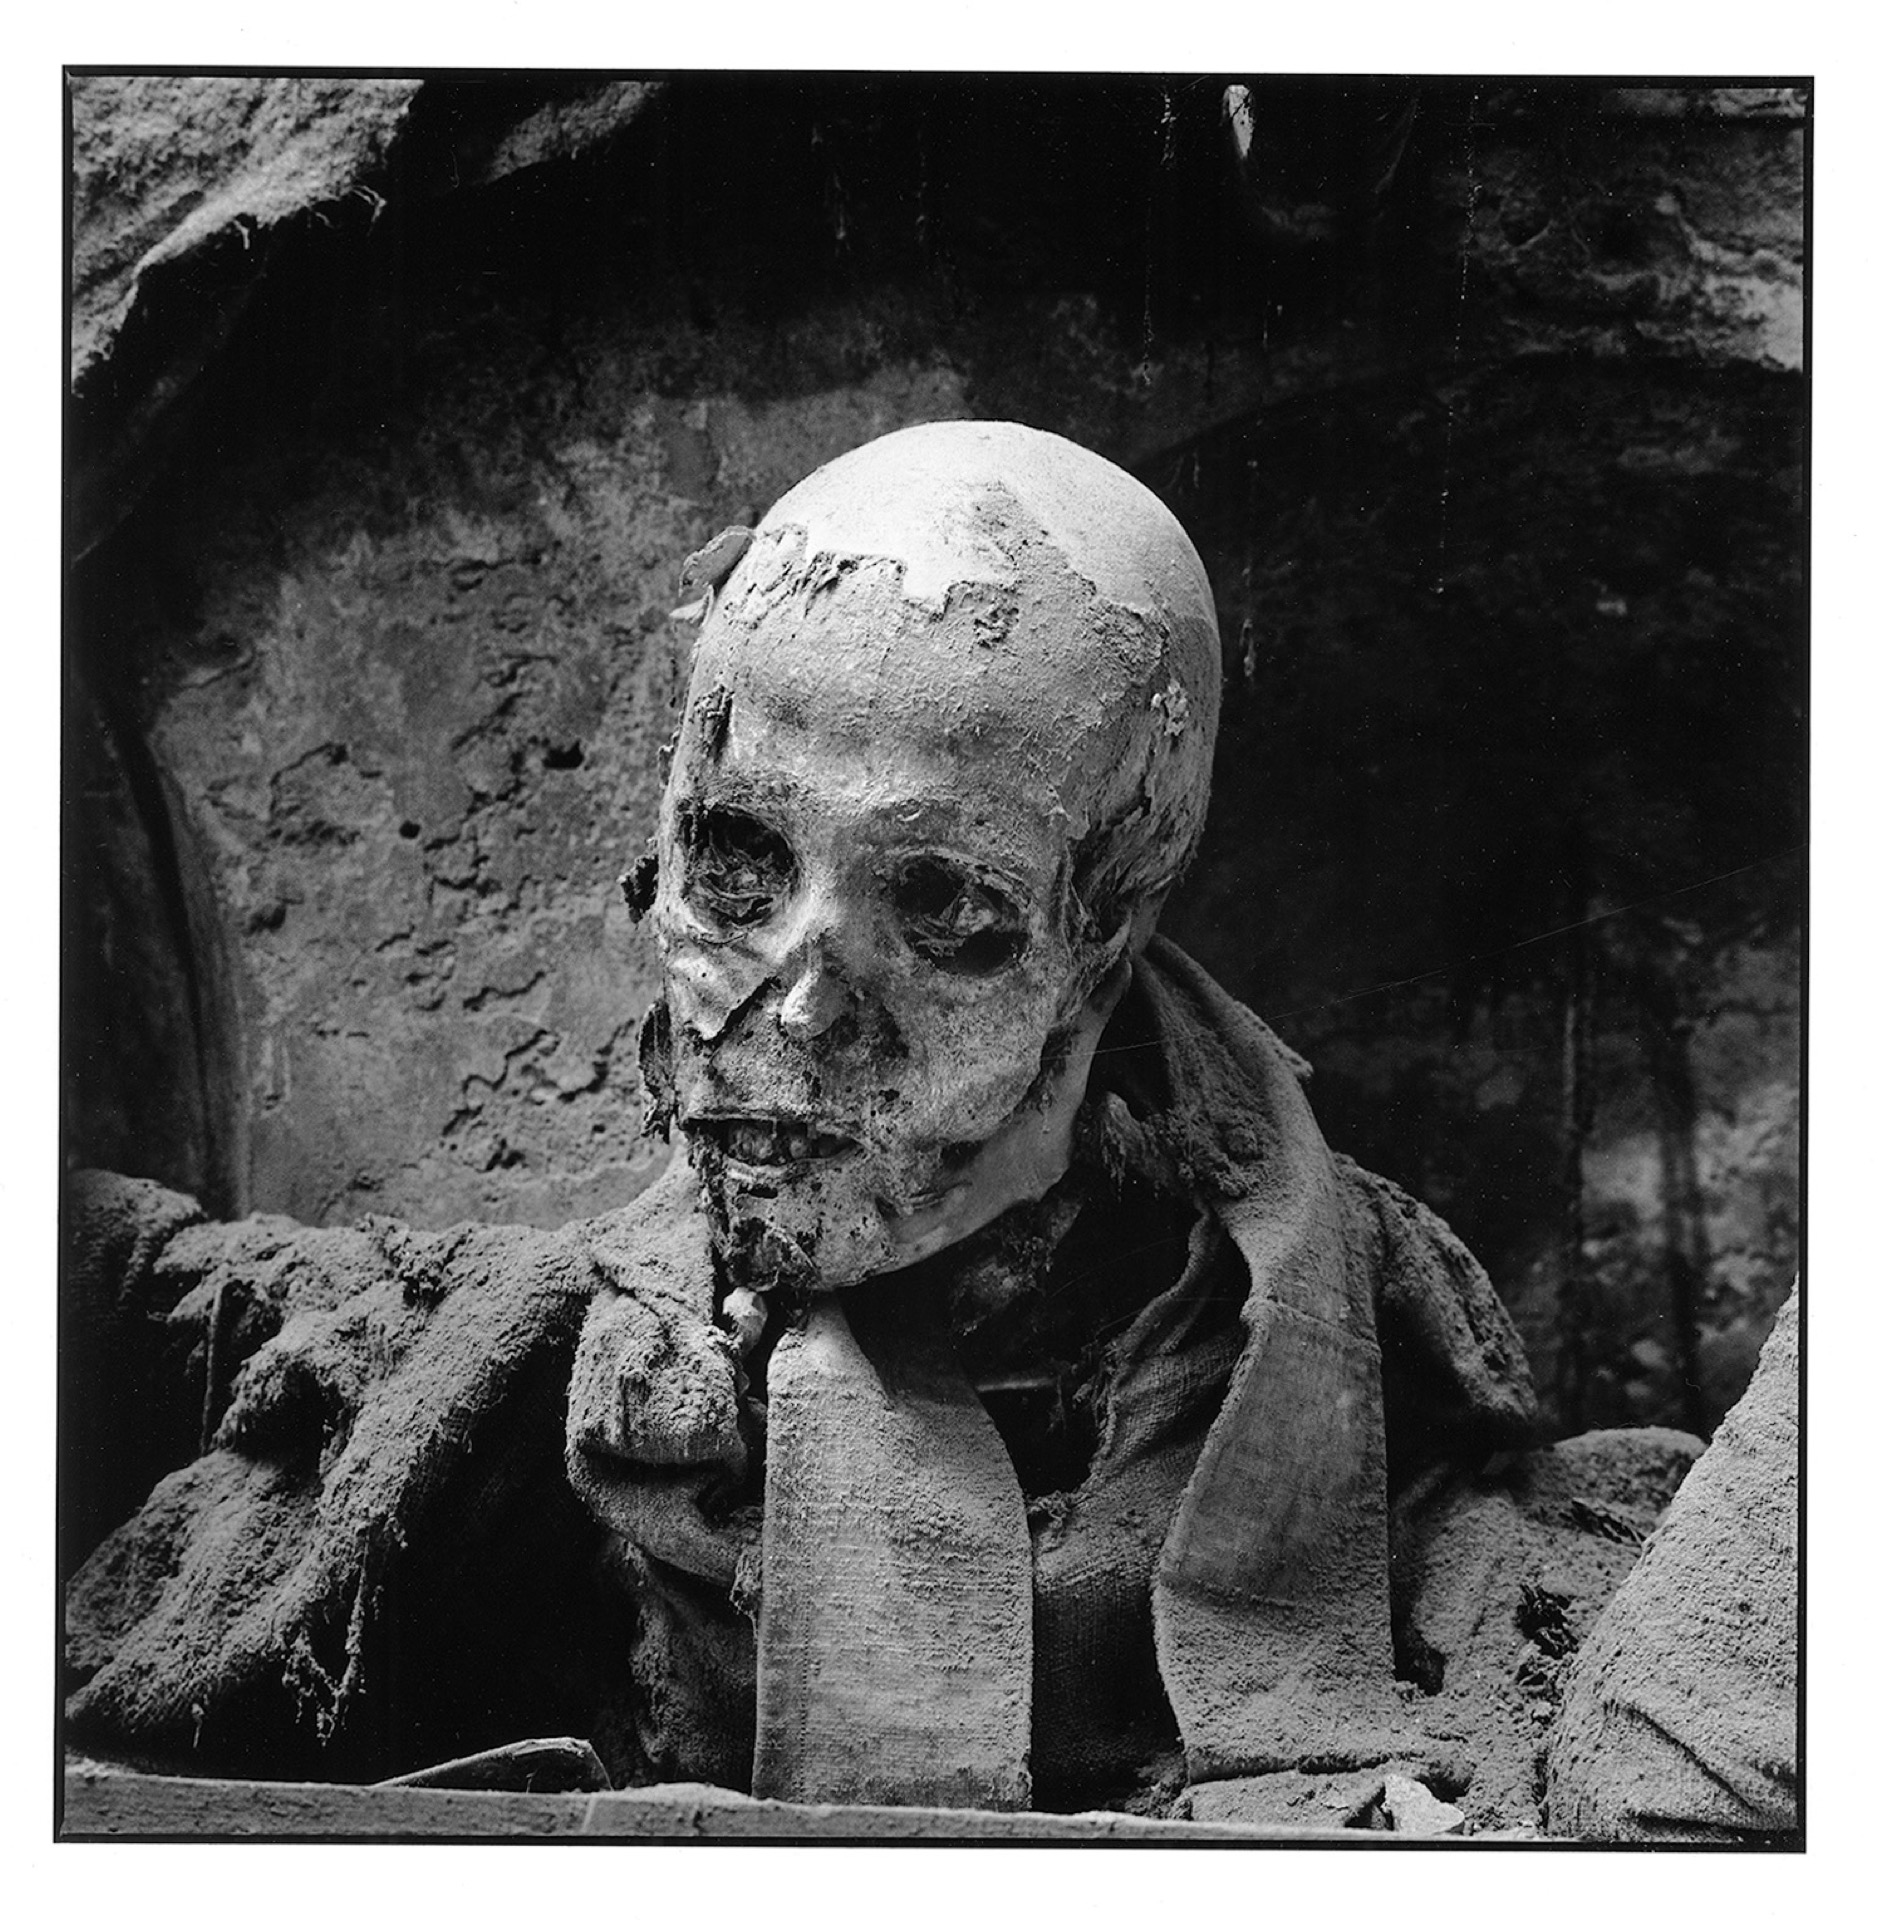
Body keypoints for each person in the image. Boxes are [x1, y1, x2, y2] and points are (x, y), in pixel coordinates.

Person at [63, 422, 1736, 1831]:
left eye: (942, 907)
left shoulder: (1393, 1457)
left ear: (1101, 937)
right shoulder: (511, 1384)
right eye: (737, 868)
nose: (797, 1013)